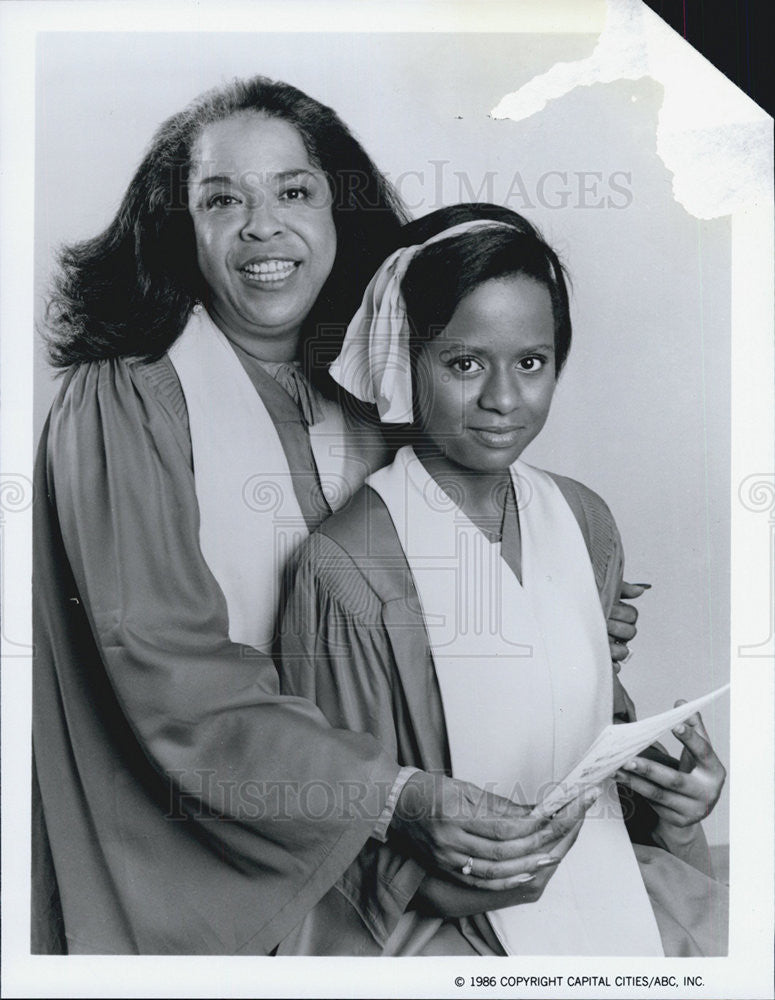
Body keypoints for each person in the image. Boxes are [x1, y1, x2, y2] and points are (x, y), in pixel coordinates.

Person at [32, 79, 634, 955]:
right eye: (221, 199)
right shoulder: (127, 397)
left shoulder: (373, 390)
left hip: (386, 858)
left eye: (294, 191)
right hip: (194, 860)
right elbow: (164, 669)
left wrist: (561, 610)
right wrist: (391, 798)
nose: (262, 225)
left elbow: (408, 617)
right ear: (181, 228)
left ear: (339, 211)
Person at [278, 204, 729, 955]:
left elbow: (586, 744)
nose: (502, 398)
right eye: (463, 363)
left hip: (604, 879)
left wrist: (676, 804)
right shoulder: (347, 565)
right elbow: (336, 815)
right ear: (406, 360)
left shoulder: (584, 520)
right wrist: (447, 883)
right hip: (439, 921)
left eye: (531, 362)